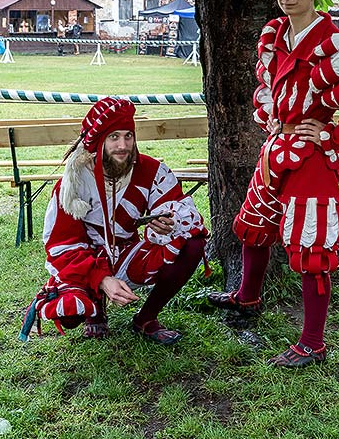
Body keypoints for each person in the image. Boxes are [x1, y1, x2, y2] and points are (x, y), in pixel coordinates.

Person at [208, 0, 339, 367]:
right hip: (276, 149)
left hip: (312, 160)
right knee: (254, 226)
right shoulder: (275, 38)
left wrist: (331, 136)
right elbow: (269, 89)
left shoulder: (334, 43)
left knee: (312, 247)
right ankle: (247, 298)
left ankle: (312, 343)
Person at [20, 97, 208, 344]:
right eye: (114, 137)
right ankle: (94, 311)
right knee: (70, 311)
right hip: (85, 259)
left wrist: (169, 224)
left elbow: (183, 213)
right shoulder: (74, 182)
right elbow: (62, 244)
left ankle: (146, 318)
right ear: (100, 141)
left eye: (128, 136)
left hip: (127, 253)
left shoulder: (150, 171)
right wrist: (102, 279)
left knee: (192, 244)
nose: (123, 145)